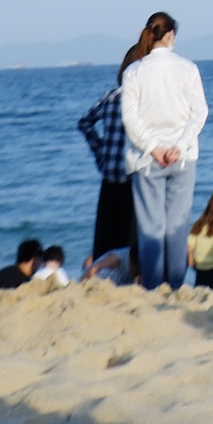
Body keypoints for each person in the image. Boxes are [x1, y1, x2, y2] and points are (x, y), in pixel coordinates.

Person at [120, 11, 209, 291]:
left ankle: (154, 286)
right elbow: (199, 113)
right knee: (177, 228)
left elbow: (130, 119)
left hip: (146, 159)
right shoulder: (188, 68)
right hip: (182, 157)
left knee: (151, 229)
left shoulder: (134, 71)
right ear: (170, 35)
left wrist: (153, 148)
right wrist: (178, 146)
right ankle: (177, 285)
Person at [77, 32, 152, 267]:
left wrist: (101, 154)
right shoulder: (143, 100)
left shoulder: (111, 96)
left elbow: (85, 122)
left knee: (105, 240)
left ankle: (100, 275)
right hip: (134, 177)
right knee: (131, 245)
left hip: (109, 177)